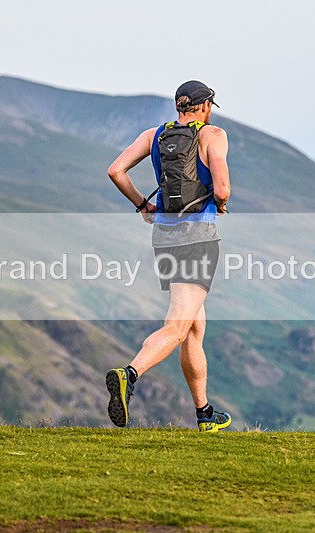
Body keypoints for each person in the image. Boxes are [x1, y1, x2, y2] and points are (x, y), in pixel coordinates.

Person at [105, 80, 232, 432]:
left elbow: (116, 170)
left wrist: (142, 204)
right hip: (198, 237)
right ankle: (129, 374)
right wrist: (220, 203)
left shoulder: (154, 135)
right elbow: (222, 188)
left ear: (179, 107)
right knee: (177, 327)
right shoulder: (213, 135)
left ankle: (204, 413)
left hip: (165, 235)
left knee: (194, 326)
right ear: (206, 106)